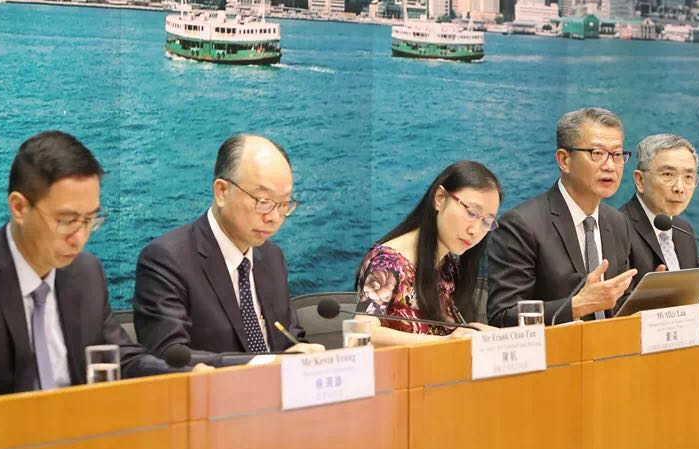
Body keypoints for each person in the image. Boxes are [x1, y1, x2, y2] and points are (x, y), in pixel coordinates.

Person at [0, 131, 173, 399]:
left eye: (90, 220)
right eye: (66, 220)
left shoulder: (86, 273)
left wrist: (185, 373)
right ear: (19, 207)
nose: (80, 238)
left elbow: (122, 360)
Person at [134, 134, 321, 360]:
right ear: (222, 191)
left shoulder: (272, 257)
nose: (273, 217)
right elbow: (169, 355)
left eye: (283, 204)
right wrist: (262, 364)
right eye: (263, 201)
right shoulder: (167, 259)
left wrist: (304, 353)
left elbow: (289, 337)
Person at [487, 108, 637, 326]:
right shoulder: (521, 225)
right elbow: (502, 316)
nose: (610, 166)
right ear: (564, 160)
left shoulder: (617, 221)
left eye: (617, 155)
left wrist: (651, 299)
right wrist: (577, 306)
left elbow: (618, 303)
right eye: (597, 153)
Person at [356, 161, 500, 344]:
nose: (475, 231)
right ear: (440, 198)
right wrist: (445, 342)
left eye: (486, 222)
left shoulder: (450, 266)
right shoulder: (387, 262)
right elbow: (361, 333)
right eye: (471, 213)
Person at [620, 133, 699, 287]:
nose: (679, 188)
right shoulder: (618, 229)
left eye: (688, 177)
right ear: (640, 180)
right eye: (668, 174)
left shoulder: (684, 230)